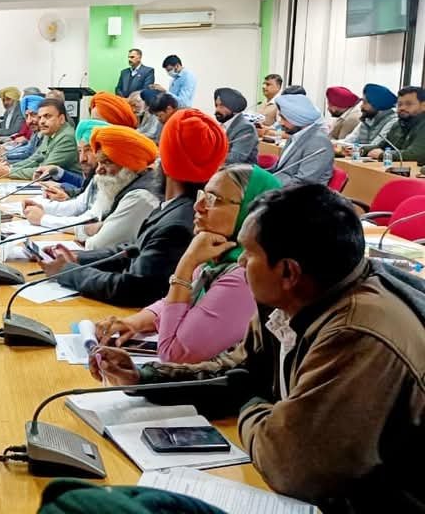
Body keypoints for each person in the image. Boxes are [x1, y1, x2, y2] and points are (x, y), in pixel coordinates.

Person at [89, 185, 425, 512]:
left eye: (248, 256)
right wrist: (144, 377)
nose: (239, 265)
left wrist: (252, 400)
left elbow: (292, 466)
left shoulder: (356, 333)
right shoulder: (292, 299)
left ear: (288, 271)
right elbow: (235, 370)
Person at [93, 164, 281, 363]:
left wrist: (186, 264)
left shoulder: (244, 276)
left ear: (251, 212)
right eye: (202, 195)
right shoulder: (217, 257)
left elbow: (173, 354)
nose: (198, 206)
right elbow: (173, 303)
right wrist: (133, 323)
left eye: (213, 200)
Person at [42, 109, 228, 307]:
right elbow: (132, 250)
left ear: (164, 161)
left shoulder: (177, 221)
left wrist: (69, 272)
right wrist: (78, 258)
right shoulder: (175, 206)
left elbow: (132, 288)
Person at [31, 125, 160, 250]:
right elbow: (92, 222)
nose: (98, 170)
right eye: (98, 163)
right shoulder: (121, 183)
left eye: (106, 162)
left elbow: (96, 245)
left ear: (128, 164)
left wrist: (44, 219)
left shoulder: (140, 197)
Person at [22, 119, 105, 221]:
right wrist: (41, 207)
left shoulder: (66, 137)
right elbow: (81, 201)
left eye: (88, 150)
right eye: (79, 151)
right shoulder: (97, 175)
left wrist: (43, 219)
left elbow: (90, 222)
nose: (82, 158)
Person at [0, 98, 79, 180]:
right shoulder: (50, 132)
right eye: (40, 117)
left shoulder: (66, 138)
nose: (42, 121)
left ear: (62, 119)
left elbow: (43, 171)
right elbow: (34, 159)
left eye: (47, 116)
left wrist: (9, 172)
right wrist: (10, 167)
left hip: (68, 188)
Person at [271, 94, 334, 186]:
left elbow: (303, 182)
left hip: (300, 197)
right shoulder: (295, 134)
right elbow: (280, 171)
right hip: (280, 191)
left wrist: (268, 186)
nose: (280, 122)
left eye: (284, 118)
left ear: (297, 118)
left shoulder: (318, 142)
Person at [365, 86, 425, 163]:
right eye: (399, 104)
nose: (402, 108)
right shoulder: (398, 125)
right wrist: (358, 150)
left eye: (408, 104)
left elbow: (416, 154)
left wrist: (383, 155)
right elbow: (382, 147)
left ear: (423, 106)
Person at [335, 83, 398, 150]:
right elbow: (349, 140)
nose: (361, 106)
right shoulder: (367, 119)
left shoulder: (393, 121)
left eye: (365, 103)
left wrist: (344, 146)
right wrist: (332, 143)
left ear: (377, 104)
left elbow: (374, 146)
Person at [213, 87, 258, 165]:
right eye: (216, 105)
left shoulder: (246, 128)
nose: (217, 110)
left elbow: (235, 158)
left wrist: (208, 157)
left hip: (240, 174)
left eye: (221, 106)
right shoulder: (223, 124)